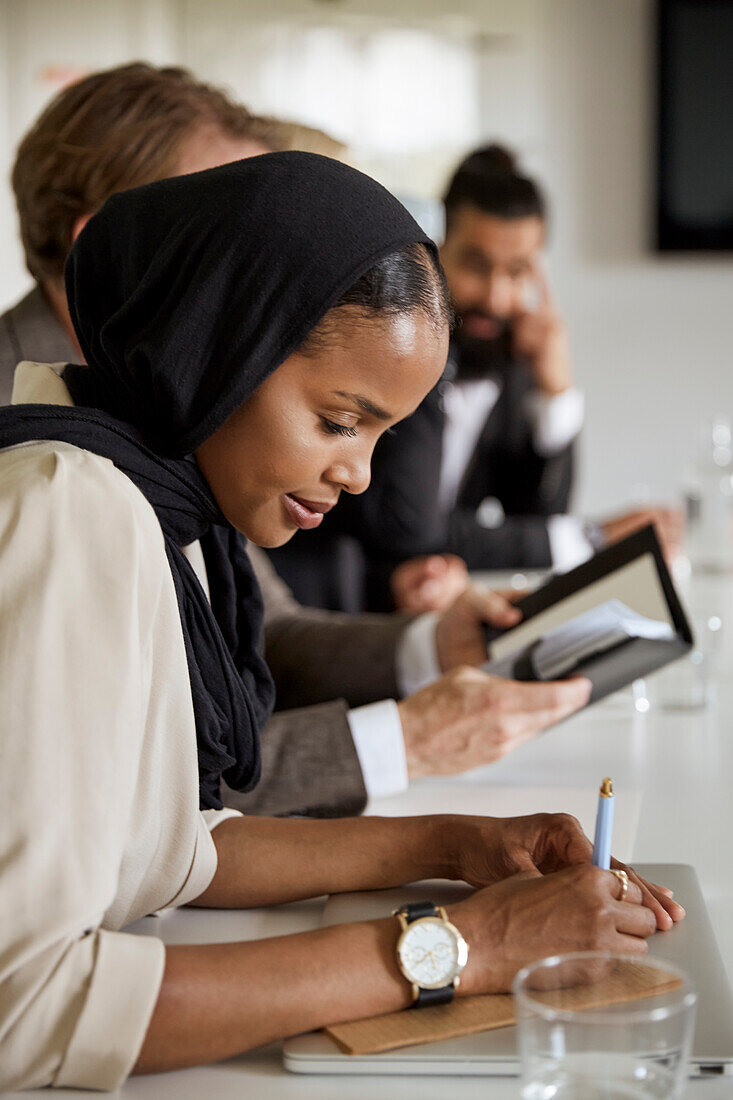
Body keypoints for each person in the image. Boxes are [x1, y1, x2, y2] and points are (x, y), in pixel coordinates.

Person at [0, 151, 682, 1091]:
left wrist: (454, 845)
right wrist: (462, 946)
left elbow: (163, 846)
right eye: (337, 421)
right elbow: (25, 1006)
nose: (359, 474)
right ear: (221, 346)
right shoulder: (70, 509)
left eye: (380, 437)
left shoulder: (158, 498)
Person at [1, 63, 592, 818]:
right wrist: (405, 744)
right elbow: (138, 796)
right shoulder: (48, 476)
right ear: (129, 229)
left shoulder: (183, 429)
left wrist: (430, 649)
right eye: (232, 217)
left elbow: (260, 631)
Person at [267, 143, 682, 610]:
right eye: (477, 266)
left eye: (518, 271)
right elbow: (414, 526)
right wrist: (588, 537)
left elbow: (537, 513)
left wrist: (556, 393)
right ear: (436, 248)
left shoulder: (511, 360)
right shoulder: (404, 348)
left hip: (424, 611)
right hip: (322, 604)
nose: (497, 296)